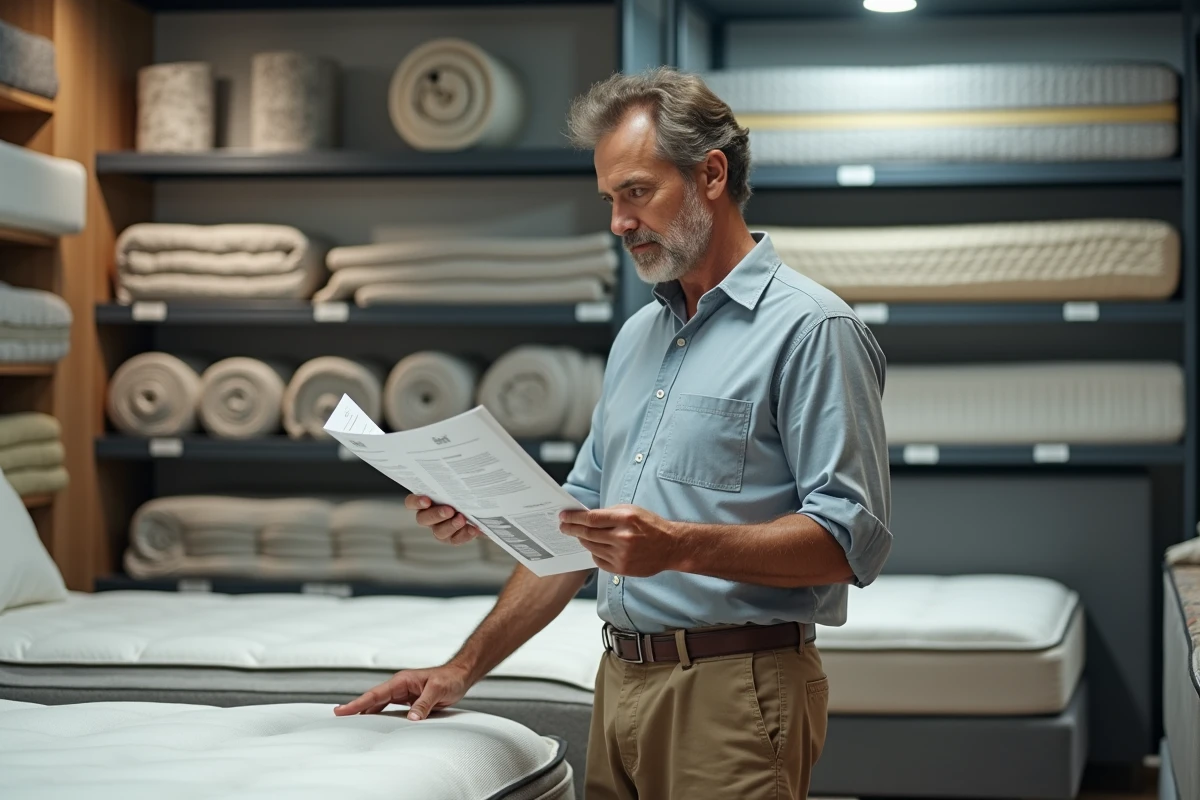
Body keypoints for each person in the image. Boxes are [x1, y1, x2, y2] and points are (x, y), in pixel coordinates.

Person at [334, 66, 892, 799]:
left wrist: (678, 545)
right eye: (609, 199)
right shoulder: (638, 338)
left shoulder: (814, 330)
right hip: (619, 683)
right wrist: (462, 663)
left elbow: (850, 541)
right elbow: (574, 533)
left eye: (637, 192)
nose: (618, 222)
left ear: (711, 175)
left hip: (735, 691)